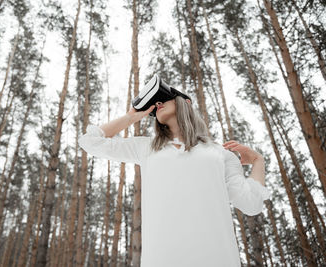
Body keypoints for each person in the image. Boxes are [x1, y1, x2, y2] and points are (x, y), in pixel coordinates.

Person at [78, 94, 270, 267]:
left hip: (217, 257)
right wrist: (131, 117)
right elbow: (90, 142)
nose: (158, 103)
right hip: (162, 259)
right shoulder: (147, 147)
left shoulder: (220, 153)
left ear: (185, 102)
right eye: (156, 102)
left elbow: (251, 203)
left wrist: (258, 161)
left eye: (165, 98)